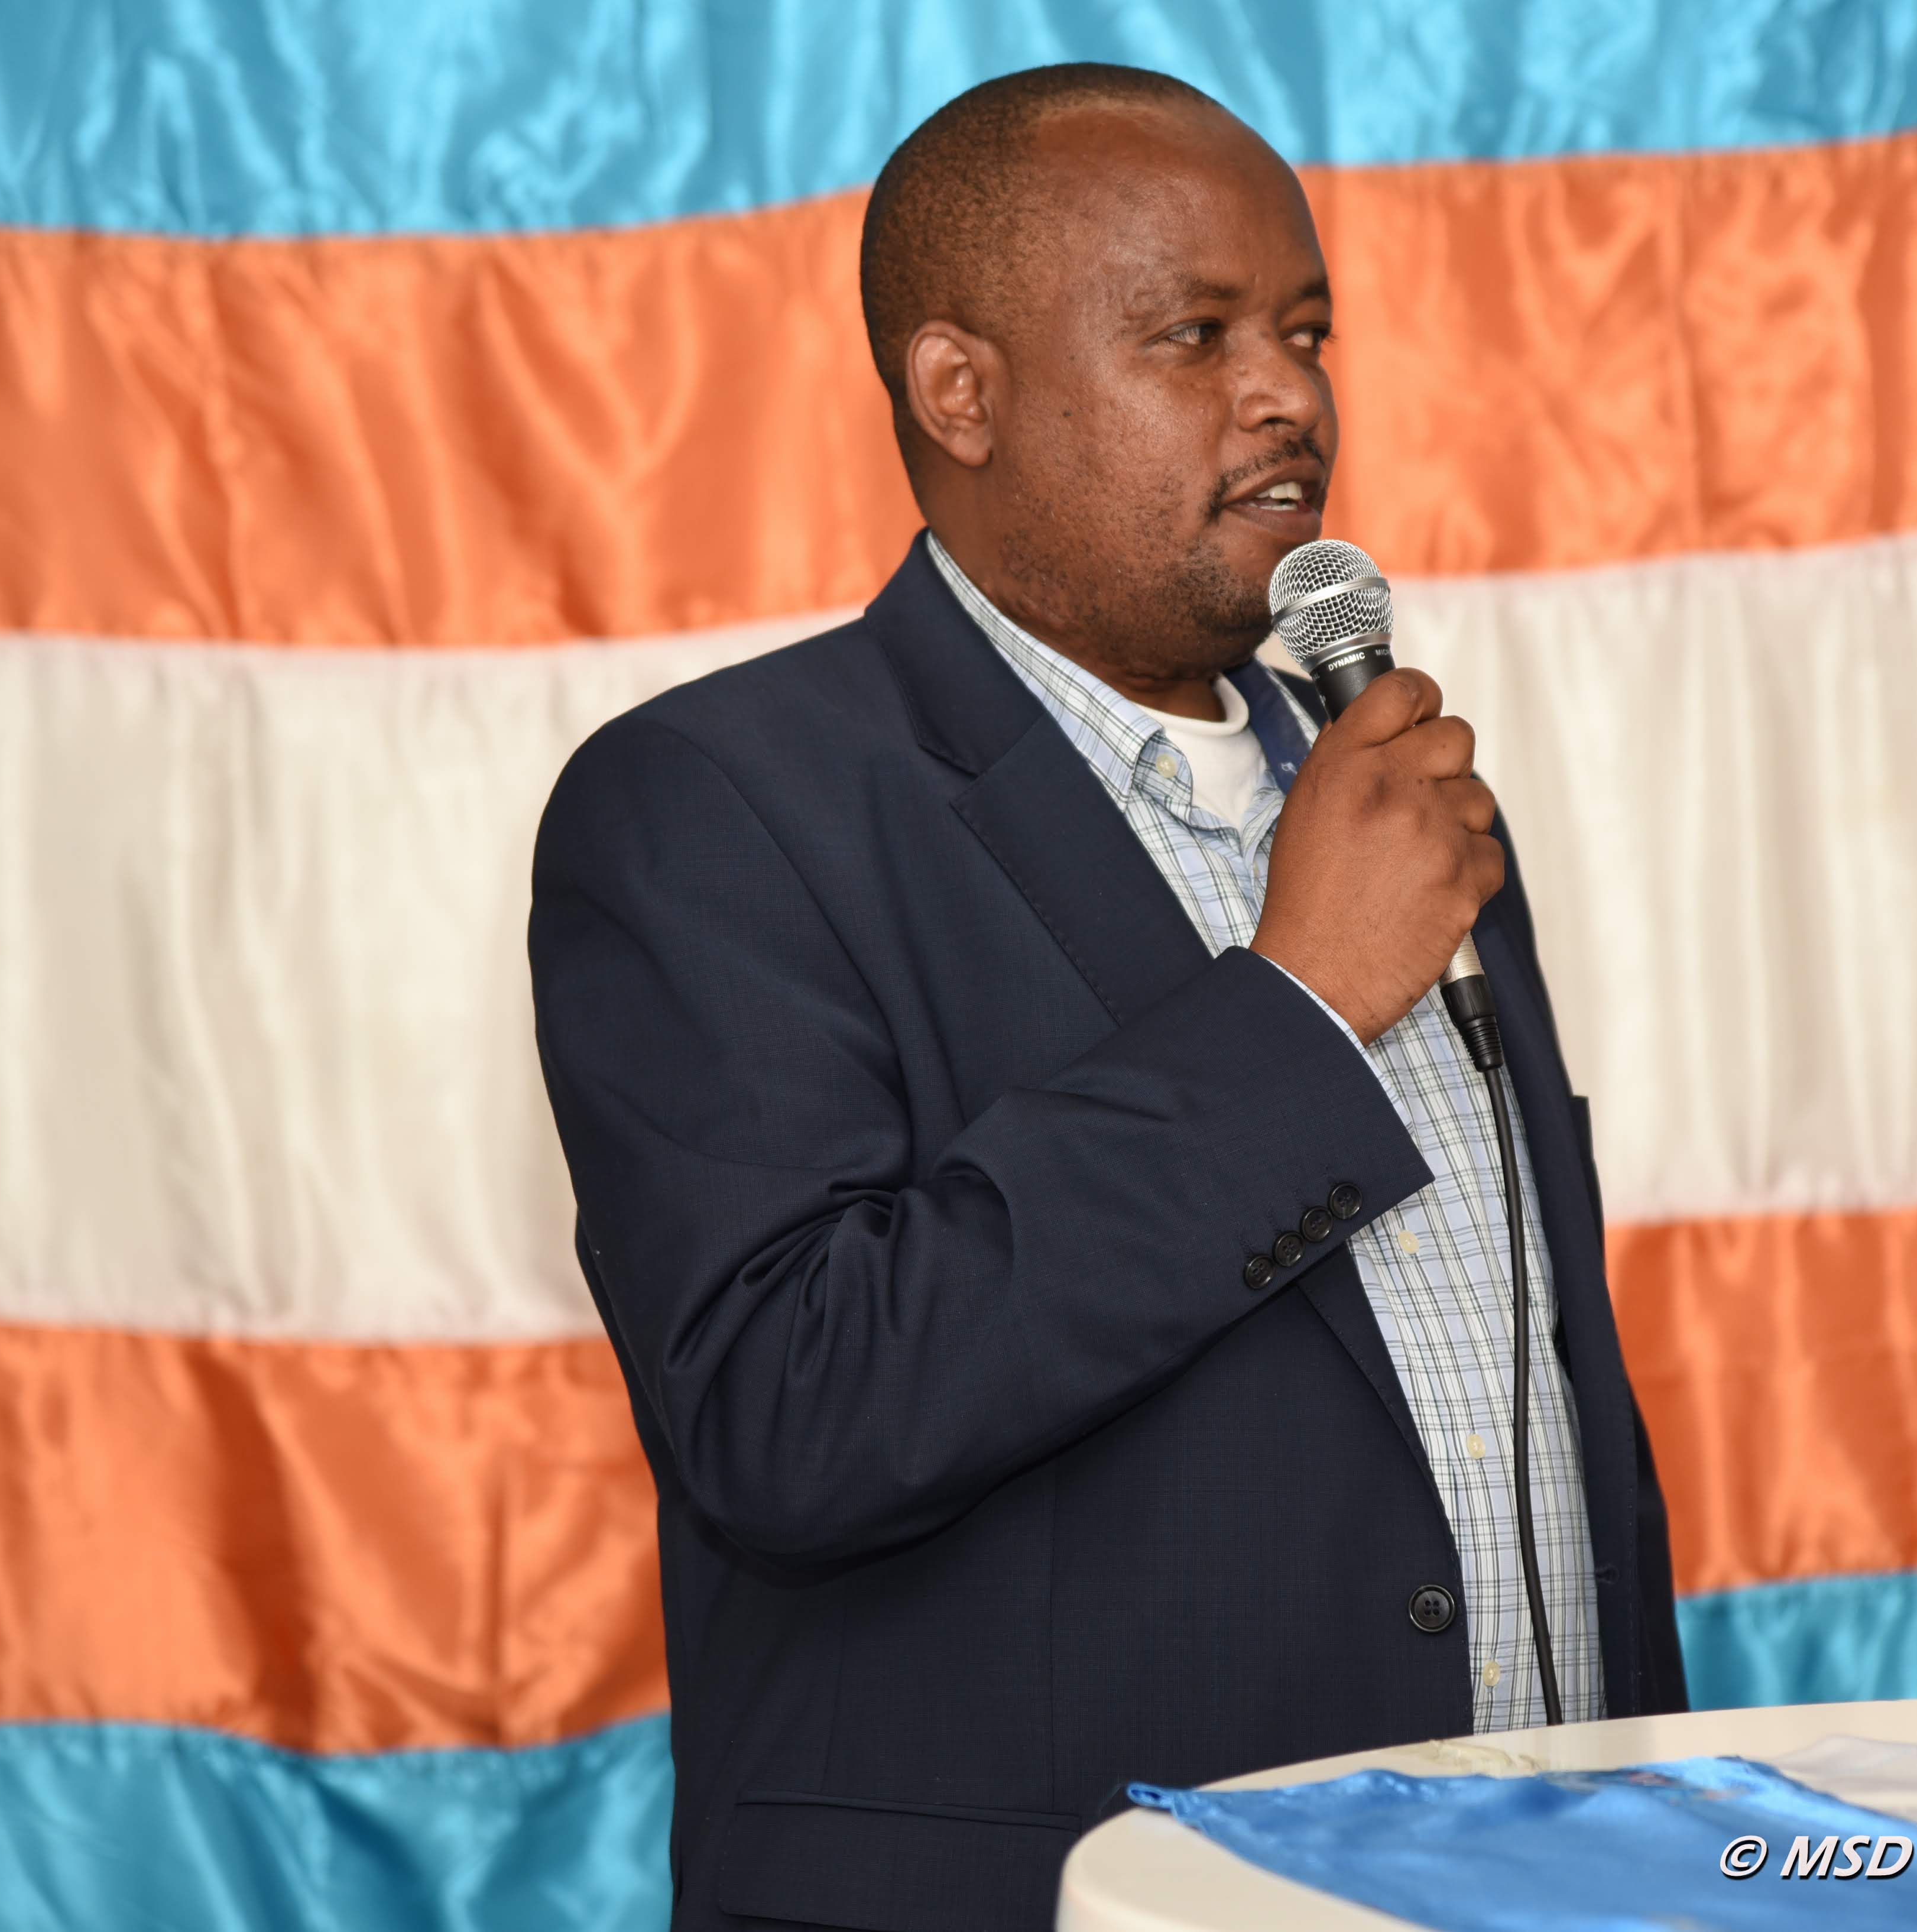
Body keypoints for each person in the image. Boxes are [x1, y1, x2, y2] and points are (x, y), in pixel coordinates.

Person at [530, 63, 1685, 1932]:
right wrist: (1298, 1012)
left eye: (1306, 331)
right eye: (1195, 335)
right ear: (960, 391)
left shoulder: (1401, 800)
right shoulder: (720, 805)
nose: (1290, 394)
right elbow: (789, 1413)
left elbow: (1548, 1400)